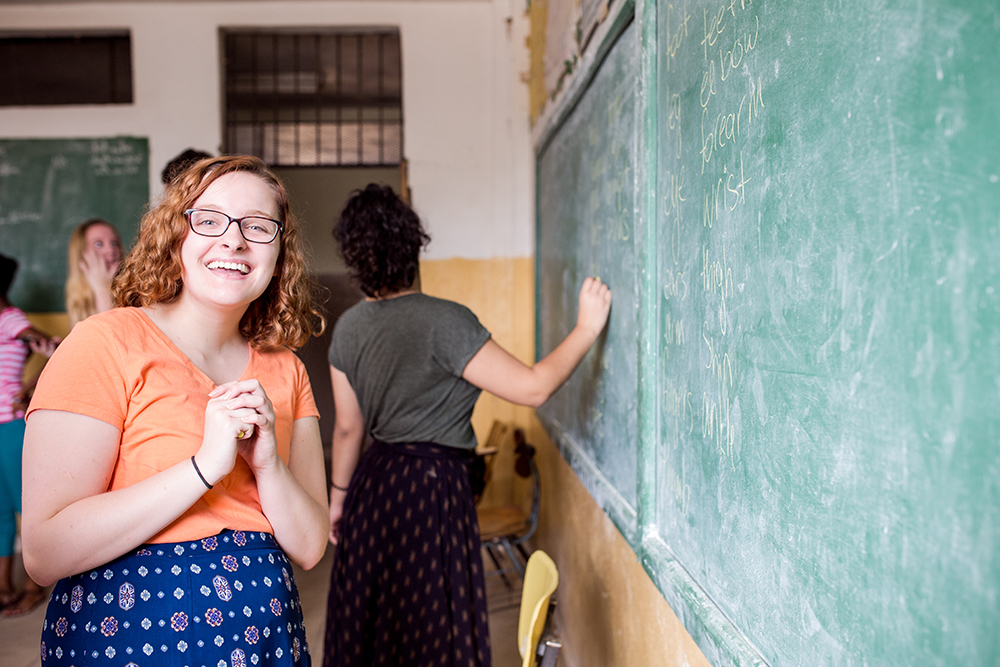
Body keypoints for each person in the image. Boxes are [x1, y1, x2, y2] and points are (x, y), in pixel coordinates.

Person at [22, 156, 328, 665]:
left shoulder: (286, 370)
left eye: (258, 226)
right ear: (176, 236)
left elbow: (312, 545)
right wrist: (206, 466)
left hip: (267, 644)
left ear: (280, 252)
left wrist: (269, 464)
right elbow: (44, 552)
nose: (234, 240)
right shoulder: (104, 343)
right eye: (209, 220)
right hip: (127, 643)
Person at [322, 184, 612, 667]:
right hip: (432, 490)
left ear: (355, 259)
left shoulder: (350, 326)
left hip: (373, 489)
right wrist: (585, 328)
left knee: (376, 624)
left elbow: (349, 430)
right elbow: (534, 388)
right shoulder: (446, 320)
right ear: (414, 246)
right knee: (430, 622)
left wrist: (339, 499)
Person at [0, 253, 59, 617]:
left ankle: (34, 587)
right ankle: (4, 585)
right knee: (1, 511)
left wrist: (33, 387)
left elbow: (54, 347)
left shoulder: (11, 319)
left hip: (11, 426)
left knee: (28, 506)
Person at [65, 219, 123, 328]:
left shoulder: (134, 290)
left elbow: (112, 333)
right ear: (81, 253)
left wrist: (102, 288)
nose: (110, 250)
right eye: (99, 244)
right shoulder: (78, 294)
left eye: (114, 243)